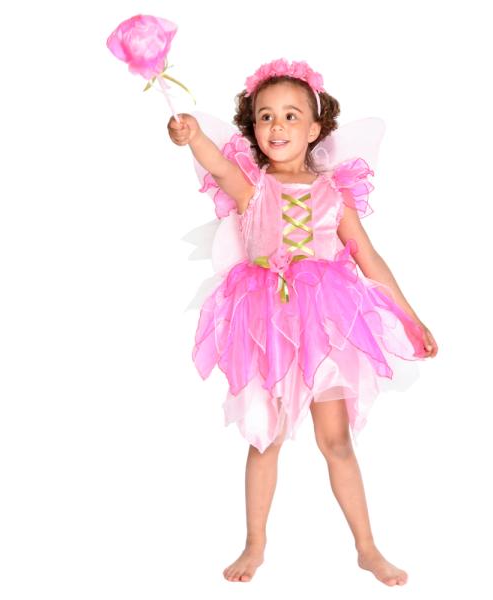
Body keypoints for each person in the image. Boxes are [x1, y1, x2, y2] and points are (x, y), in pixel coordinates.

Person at [168, 58, 439, 586]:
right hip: (266, 326)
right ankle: (254, 543)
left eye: (291, 116)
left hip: (324, 329)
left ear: (315, 128)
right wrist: (193, 134)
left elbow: (369, 259)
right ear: (253, 127)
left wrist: (410, 317)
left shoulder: (334, 193)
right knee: (264, 436)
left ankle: (367, 547)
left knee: (336, 440)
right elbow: (217, 167)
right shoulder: (251, 187)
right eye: (265, 116)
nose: (277, 126)